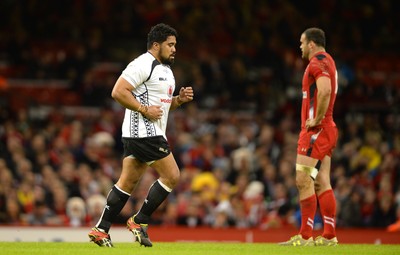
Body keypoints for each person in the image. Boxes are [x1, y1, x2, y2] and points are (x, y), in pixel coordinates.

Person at [88, 23, 194, 247]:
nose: (175, 49)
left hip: (144, 133)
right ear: (156, 45)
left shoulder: (165, 70)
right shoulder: (143, 63)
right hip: (144, 133)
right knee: (172, 175)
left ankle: (101, 229)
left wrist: (178, 101)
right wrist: (144, 110)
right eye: (170, 45)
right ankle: (139, 220)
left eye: (176, 45)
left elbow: (161, 108)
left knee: (127, 182)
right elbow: (118, 91)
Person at [279, 28, 339, 246]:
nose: (300, 47)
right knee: (322, 182)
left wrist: (316, 120)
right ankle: (330, 235)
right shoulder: (328, 61)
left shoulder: (317, 63)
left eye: (302, 43)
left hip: (317, 131)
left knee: (303, 180)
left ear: (312, 44)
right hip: (327, 129)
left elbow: (324, 90)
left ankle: (305, 237)